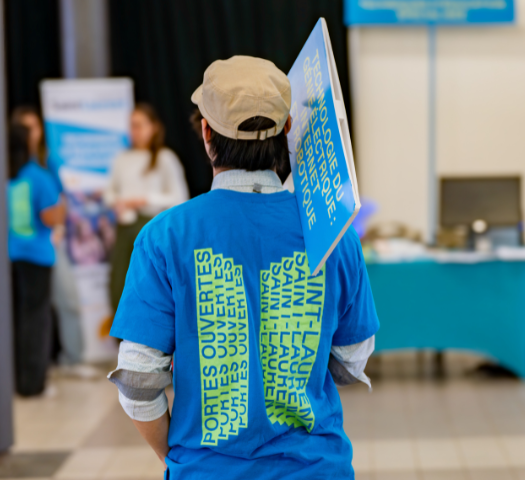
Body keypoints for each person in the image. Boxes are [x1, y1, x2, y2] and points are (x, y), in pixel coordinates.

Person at [108, 56, 379, 479]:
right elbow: (350, 361)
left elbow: (139, 382)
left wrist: (177, 458)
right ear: (288, 129)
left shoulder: (164, 236)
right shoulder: (333, 235)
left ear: (205, 132)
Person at [11, 106, 98, 379]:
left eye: (34, 127)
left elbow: (59, 203)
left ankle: (71, 358)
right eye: (25, 129)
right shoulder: (14, 165)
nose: (31, 134)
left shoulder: (46, 164)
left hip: (46, 243)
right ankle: (26, 371)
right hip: (18, 249)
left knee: (64, 300)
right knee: (28, 311)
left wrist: (58, 226)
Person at [104, 103, 189, 314]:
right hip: (125, 229)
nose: (135, 131)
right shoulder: (121, 159)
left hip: (153, 229)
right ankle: (123, 341)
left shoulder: (165, 158)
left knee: (150, 289)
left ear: (153, 127)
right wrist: (119, 201)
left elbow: (180, 198)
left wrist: (144, 199)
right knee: (119, 286)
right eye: (132, 126)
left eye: (139, 125)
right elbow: (109, 193)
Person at [7, 124, 65, 396]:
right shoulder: (39, 176)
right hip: (36, 258)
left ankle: (13, 381)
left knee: (13, 319)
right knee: (36, 321)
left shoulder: (8, 175)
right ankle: (32, 384)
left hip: (9, 257)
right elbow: (50, 217)